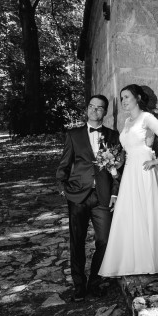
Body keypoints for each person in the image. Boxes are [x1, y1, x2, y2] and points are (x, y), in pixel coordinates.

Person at [99, 84, 158, 277]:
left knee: (147, 211)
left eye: (127, 97)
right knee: (131, 213)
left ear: (137, 97)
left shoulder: (147, 117)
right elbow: (127, 148)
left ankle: (155, 260)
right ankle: (133, 261)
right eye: (122, 98)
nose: (124, 101)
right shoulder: (127, 122)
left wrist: (157, 161)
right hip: (129, 171)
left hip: (145, 171)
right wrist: (113, 160)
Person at [56, 94, 122, 301]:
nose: (95, 111)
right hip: (78, 196)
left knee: (104, 240)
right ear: (87, 109)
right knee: (77, 241)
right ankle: (79, 286)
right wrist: (63, 187)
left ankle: (94, 282)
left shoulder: (113, 135)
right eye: (92, 107)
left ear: (105, 112)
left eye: (99, 108)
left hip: (102, 197)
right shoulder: (74, 135)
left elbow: (119, 168)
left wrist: (114, 193)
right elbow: (64, 164)